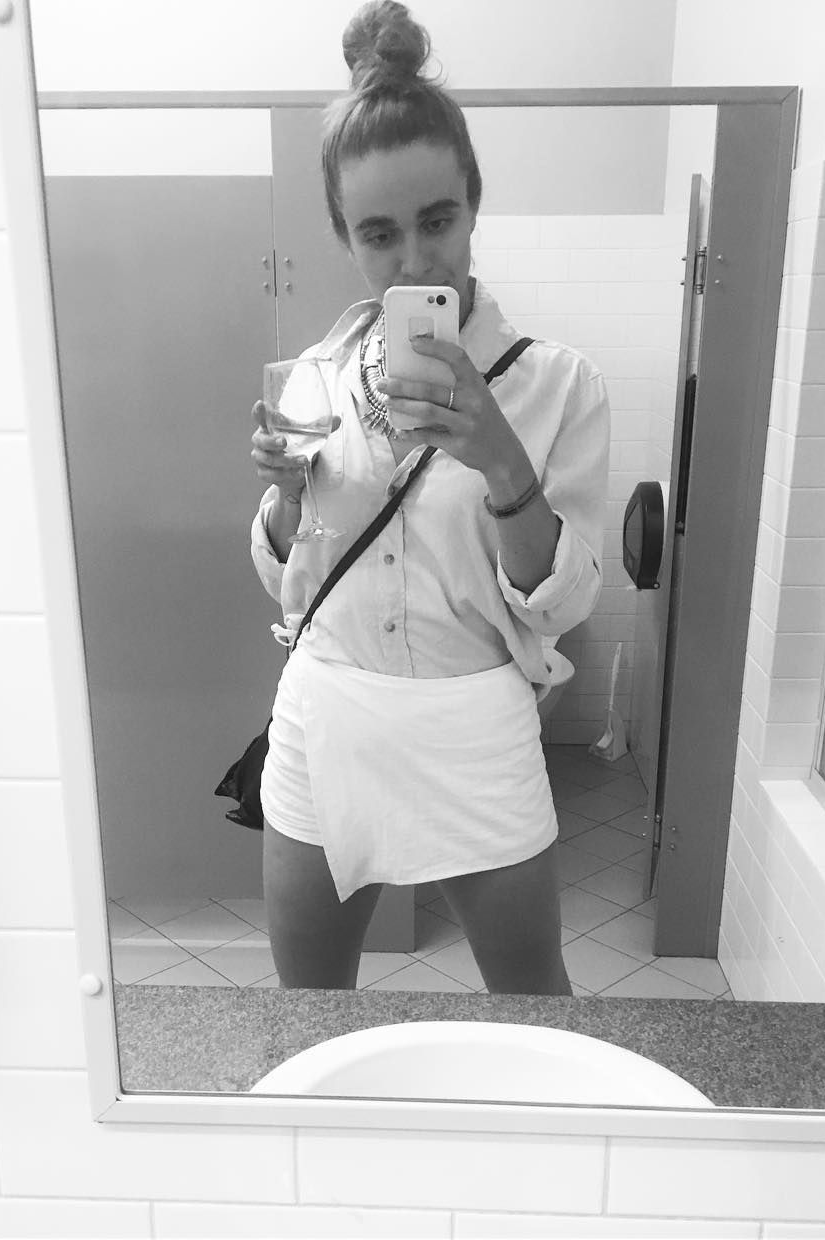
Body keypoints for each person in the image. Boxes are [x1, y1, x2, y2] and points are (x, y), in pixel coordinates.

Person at [248, 0, 609, 995]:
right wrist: (284, 499)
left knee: (534, 1008)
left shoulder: (557, 384)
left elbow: (566, 603)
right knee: (308, 1007)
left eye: (437, 220)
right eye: (380, 234)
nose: (415, 261)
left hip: (475, 727)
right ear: (345, 238)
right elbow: (288, 572)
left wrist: (502, 462)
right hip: (328, 714)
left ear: (474, 202)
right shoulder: (315, 376)